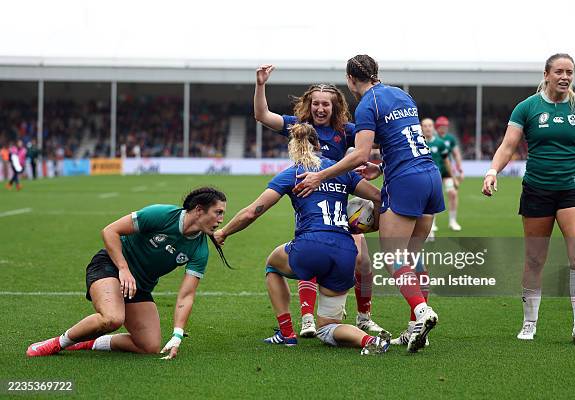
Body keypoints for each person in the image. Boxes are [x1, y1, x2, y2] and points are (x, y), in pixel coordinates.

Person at [294, 54, 442, 353]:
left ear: (350, 79)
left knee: (392, 257)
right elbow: (403, 141)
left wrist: (319, 175)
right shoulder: (402, 94)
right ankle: (417, 328)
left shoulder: (366, 105)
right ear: (377, 73)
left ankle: (423, 311)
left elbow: (359, 155)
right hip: (430, 176)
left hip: (406, 182)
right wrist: (383, 166)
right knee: (413, 257)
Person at [214, 123, 390, 355]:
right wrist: (372, 223)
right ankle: (369, 340)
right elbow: (379, 197)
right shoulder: (341, 172)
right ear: (319, 145)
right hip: (346, 251)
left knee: (272, 266)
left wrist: (223, 232)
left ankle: (286, 333)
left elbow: (252, 212)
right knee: (328, 328)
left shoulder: (291, 174)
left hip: (311, 245)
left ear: (292, 148)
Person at [482, 53, 575, 345]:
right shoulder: (527, 107)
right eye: (559, 72)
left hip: (573, 189)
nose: (565, 77)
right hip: (537, 190)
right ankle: (529, 322)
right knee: (534, 258)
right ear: (546, 73)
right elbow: (508, 145)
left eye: (570, 72)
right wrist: (492, 171)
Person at [254, 64, 384, 337]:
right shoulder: (297, 127)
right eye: (316, 104)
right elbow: (262, 115)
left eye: (326, 104)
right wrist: (261, 84)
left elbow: (382, 142)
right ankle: (308, 319)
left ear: (335, 107)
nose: (320, 109)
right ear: (308, 105)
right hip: (307, 203)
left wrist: (378, 167)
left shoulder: (346, 130)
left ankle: (363, 317)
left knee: (363, 262)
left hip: (340, 203)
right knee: (311, 256)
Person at [26, 187, 229, 359]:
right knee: (112, 318)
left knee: (149, 346)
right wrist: (123, 269)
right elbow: (110, 231)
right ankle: (58, 343)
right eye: (218, 212)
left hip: (138, 286)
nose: (221, 220)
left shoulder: (200, 250)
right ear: (199, 210)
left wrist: (177, 334)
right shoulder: (161, 215)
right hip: (111, 266)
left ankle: (89, 343)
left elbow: (186, 295)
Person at [422, 117, 454, 237]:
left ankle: (431, 227)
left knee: (432, 202)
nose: (427, 128)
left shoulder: (440, 143)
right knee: (422, 203)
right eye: (425, 126)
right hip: (419, 178)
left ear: (433, 127)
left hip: (436, 177)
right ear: (421, 127)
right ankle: (425, 230)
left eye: (430, 125)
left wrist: (452, 176)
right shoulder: (416, 142)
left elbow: (446, 160)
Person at [435, 116, 464, 231]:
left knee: (452, 193)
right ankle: (432, 222)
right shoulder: (432, 138)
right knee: (434, 195)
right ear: (437, 127)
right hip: (435, 171)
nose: (444, 128)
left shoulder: (450, 139)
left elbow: (456, 153)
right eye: (442, 126)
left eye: (446, 126)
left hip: (447, 171)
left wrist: (459, 168)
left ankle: (453, 221)